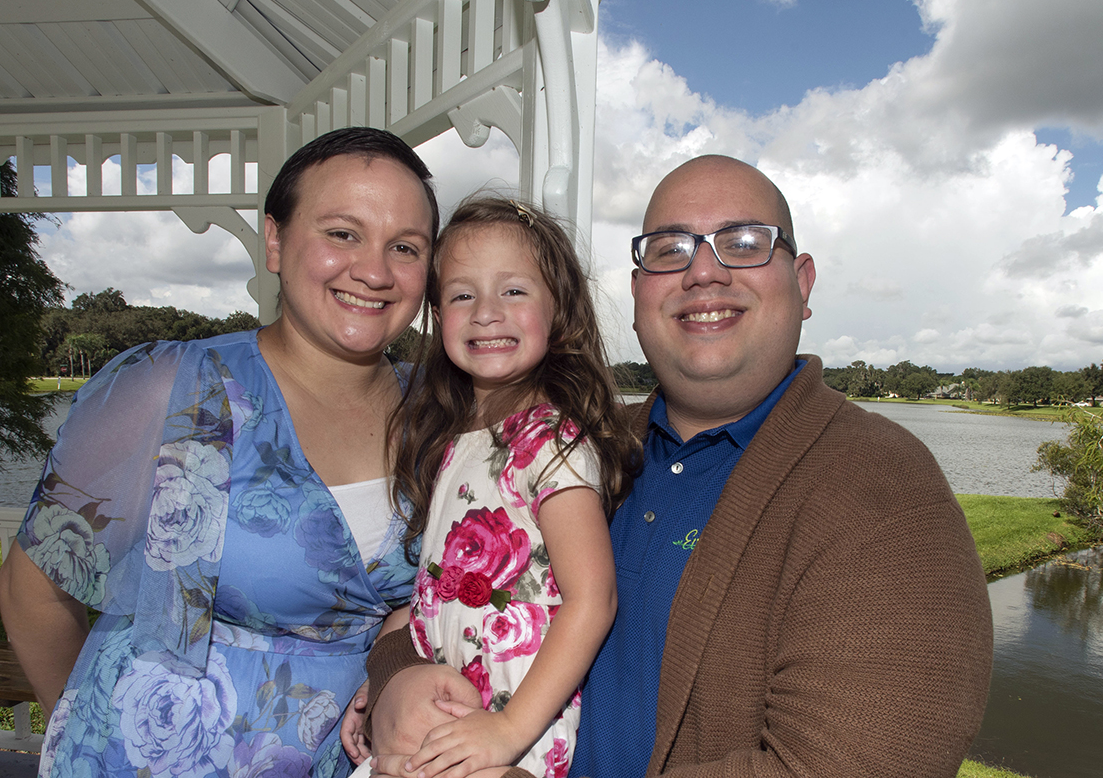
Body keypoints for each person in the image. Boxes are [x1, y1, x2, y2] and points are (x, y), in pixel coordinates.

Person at [360, 155, 994, 778]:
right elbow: (446, 595)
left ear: (802, 283)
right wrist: (397, 678)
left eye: (744, 242)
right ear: (638, 292)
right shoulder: (595, 440)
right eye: (669, 249)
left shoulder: (879, 485)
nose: (703, 273)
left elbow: (861, 762)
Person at [0, 126, 441, 778]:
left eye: (404, 246)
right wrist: (95, 732)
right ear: (275, 239)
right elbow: (31, 593)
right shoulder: (167, 387)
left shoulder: (439, 411)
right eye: (342, 233)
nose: (373, 270)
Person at [344, 197, 641, 778]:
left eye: (513, 291)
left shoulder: (551, 441)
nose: (485, 312)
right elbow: (437, 589)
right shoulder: (455, 439)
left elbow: (592, 597)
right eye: (461, 294)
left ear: (559, 311)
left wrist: (507, 732)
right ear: (436, 313)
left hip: (511, 733)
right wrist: (380, 682)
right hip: (441, 721)